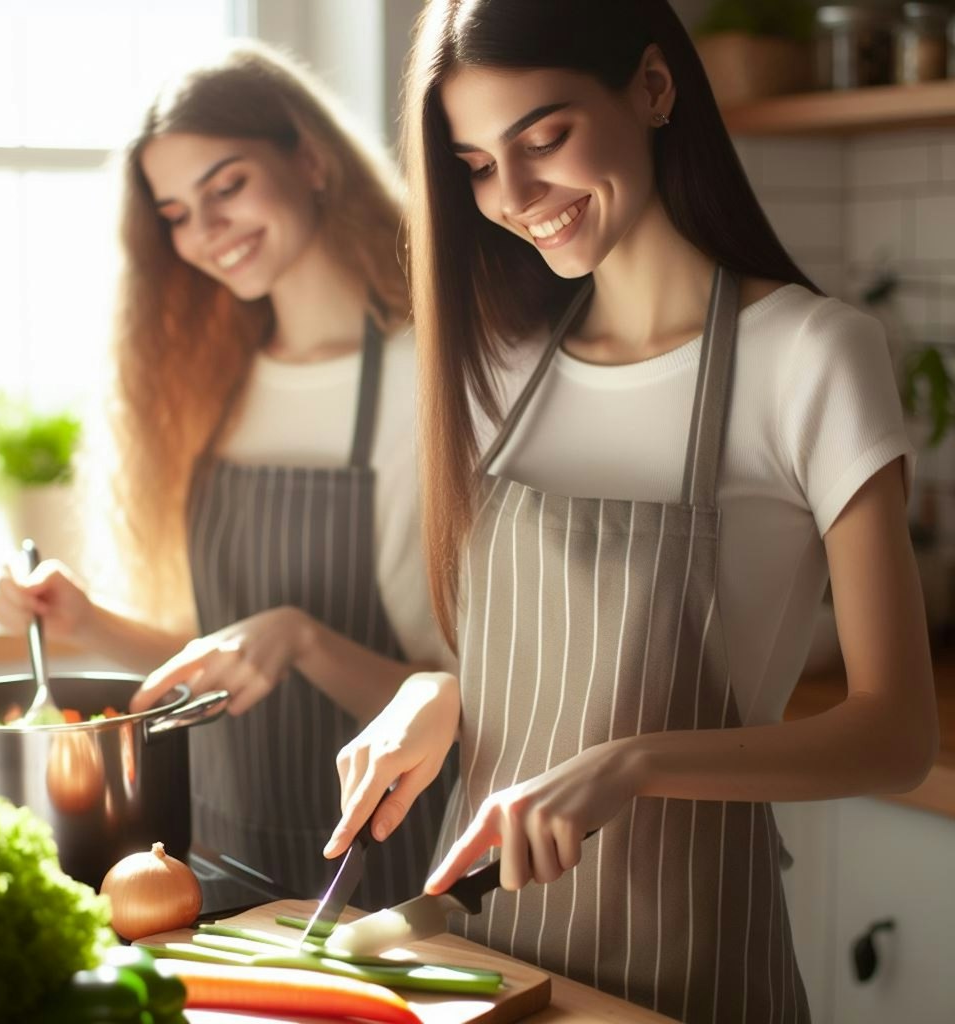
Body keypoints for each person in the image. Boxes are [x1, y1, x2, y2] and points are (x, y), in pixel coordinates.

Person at [323, 2, 939, 1020]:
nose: (515, 196)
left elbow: (894, 734)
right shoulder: (506, 364)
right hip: (478, 955)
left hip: (689, 964)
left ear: (654, 87)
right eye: (476, 164)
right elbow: (552, 671)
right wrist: (443, 692)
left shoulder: (810, 356)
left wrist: (636, 761)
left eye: (544, 137)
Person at [0, 39, 454, 909]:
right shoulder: (219, 385)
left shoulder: (428, 379)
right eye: (174, 211)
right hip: (226, 863)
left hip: (388, 868)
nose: (205, 232)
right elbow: (226, 665)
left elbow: (463, 697)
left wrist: (303, 638)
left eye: (227, 185)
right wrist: (81, 620)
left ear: (311, 159)